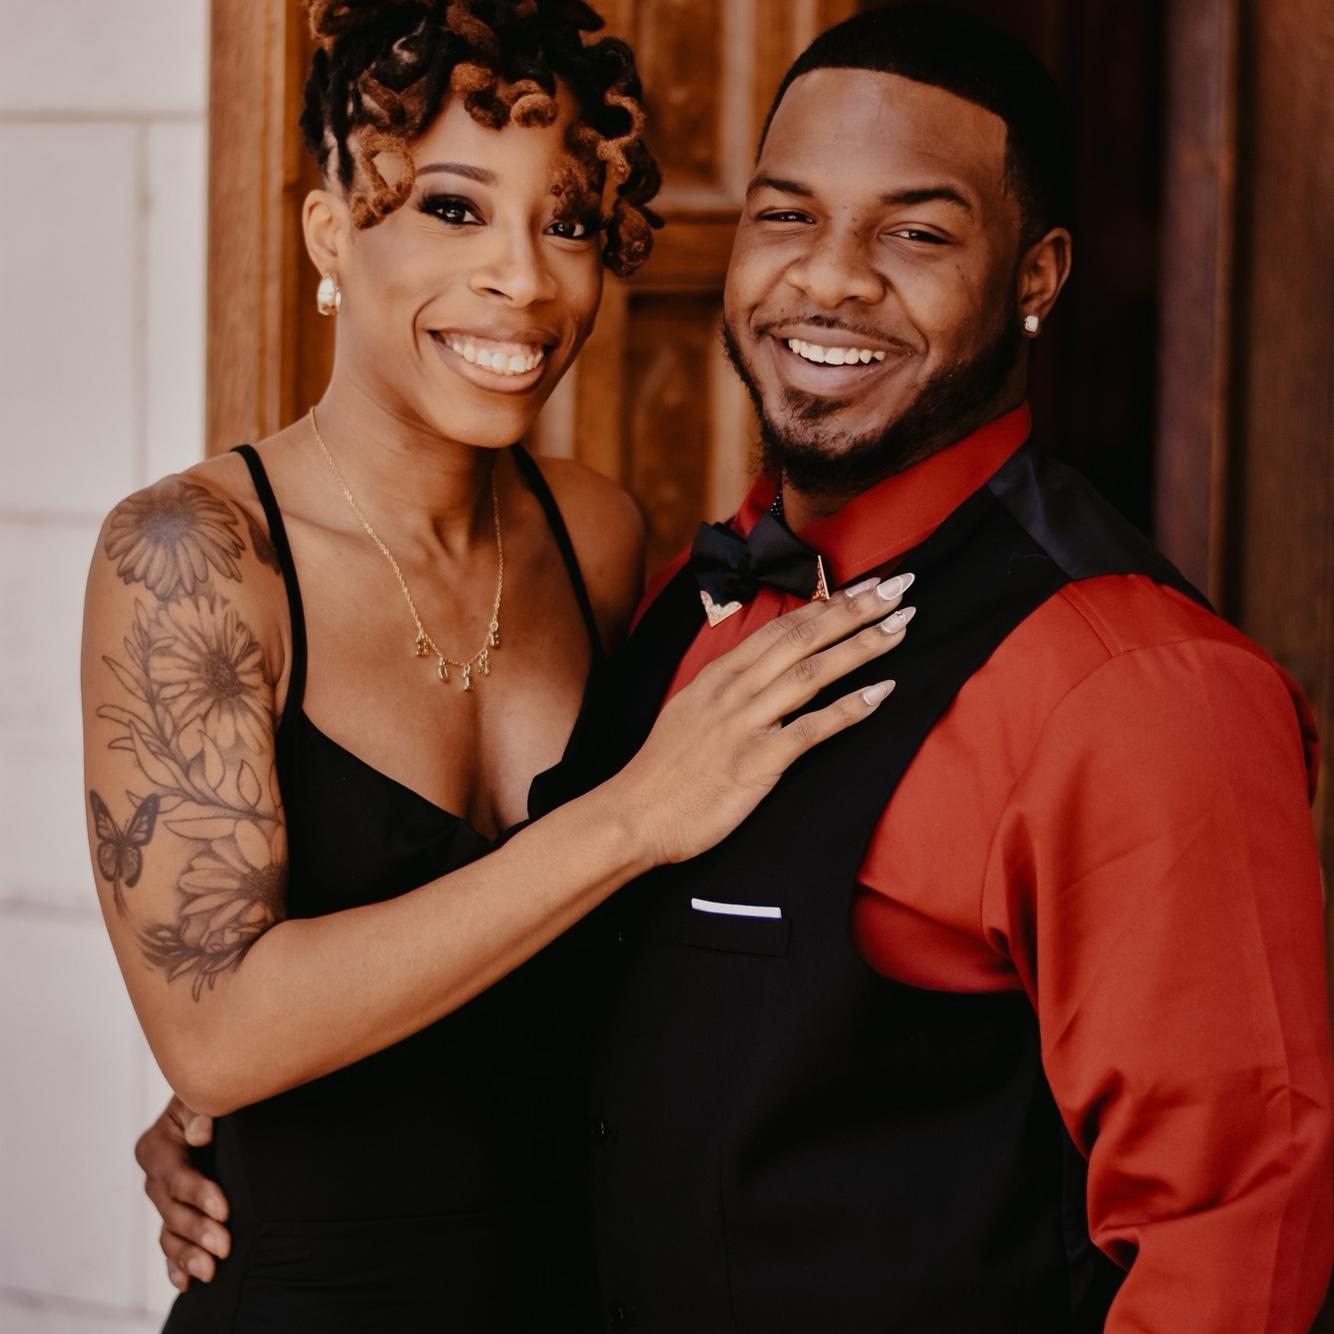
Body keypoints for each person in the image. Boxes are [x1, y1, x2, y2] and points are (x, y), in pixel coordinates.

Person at [135, 5, 1334, 1331]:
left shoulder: (1137, 688)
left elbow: (1236, 1240)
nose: (830, 279)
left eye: (916, 233)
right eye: (785, 216)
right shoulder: (675, 597)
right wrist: (261, 1122)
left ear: (1034, 275)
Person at [82, 3, 917, 1330]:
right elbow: (219, 1036)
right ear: (329, 236)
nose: (524, 280)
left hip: (585, 1291)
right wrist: (630, 817)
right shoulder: (193, 555)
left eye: (567, 221)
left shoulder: (594, 533)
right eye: (455, 210)